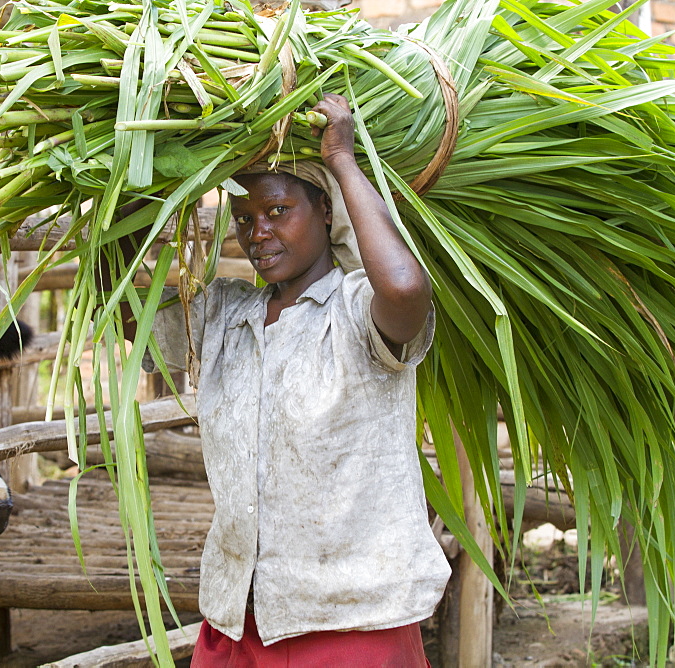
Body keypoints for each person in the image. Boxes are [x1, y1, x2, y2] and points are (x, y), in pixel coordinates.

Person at [133, 93, 451, 666]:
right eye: (245, 219)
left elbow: (406, 288)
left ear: (326, 212)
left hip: (350, 623)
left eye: (278, 211)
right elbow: (134, 314)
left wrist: (342, 160)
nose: (258, 233)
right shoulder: (227, 315)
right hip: (237, 619)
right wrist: (126, 174)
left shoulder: (356, 311)